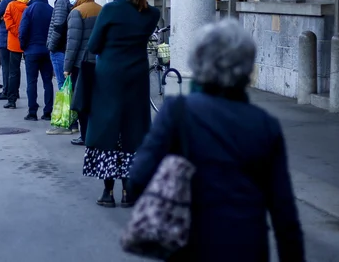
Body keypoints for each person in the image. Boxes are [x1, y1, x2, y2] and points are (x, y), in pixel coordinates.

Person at [129, 19, 305, 261]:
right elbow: (284, 212)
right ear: (246, 69)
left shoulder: (177, 113)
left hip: (190, 243)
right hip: (248, 246)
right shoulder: (265, 125)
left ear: (198, 62)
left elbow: (138, 177)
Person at [84, 0, 160, 208]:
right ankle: (129, 191)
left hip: (109, 77)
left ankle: (107, 192)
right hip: (137, 77)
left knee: (108, 129)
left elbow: (94, 45)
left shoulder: (111, 10)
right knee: (133, 130)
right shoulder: (152, 13)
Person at [47, 0, 101, 138]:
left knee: (82, 99)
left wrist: (67, 68)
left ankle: (85, 135)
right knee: (95, 98)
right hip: (98, 61)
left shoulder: (77, 12)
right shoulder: (101, 9)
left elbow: (73, 43)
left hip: (81, 63)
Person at [18, 0, 55, 121]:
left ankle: (32, 112)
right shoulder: (51, 10)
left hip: (31, 50)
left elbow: (23, 31)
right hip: (47, 50)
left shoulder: (29, 10)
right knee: (48, 81)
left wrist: (24, 47)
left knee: (31, 82)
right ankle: (48, 112)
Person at [2, 0, 31, 109]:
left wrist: (18, 34)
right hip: (30, 42)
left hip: (14, 43)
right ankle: (32, 102)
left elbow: (8, 23)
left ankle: (12, 99)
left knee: (13, 71)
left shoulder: (11, 5)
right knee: (32, 73)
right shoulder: (30, 5)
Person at [47, 0, 75, 88]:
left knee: (62, 84)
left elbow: (58, 26)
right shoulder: (69, 0)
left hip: (59, 49)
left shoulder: (62, 1)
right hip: (64, 47)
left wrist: (51, 46)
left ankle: (65, 106)